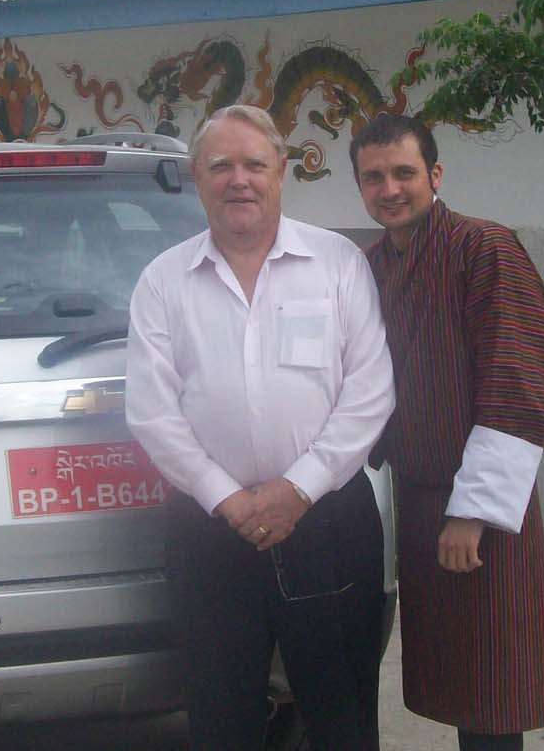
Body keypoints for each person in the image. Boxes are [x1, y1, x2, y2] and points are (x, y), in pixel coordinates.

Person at [125, 104, 395, 751]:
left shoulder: (338, 263)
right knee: (222, 716)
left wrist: (297, 488)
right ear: (198, 177)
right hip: (209, 528)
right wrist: (229, 498)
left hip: (327, 519)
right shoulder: (163, 282)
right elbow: (152, 412)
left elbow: (369, 389)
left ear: (282, 171)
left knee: (342, 713)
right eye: (221, 165)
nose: (238, 179)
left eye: (254, 163)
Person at [351, 112, 544, 751]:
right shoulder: (373, 267)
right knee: (460, 676)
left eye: (403, 172)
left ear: (435, 173)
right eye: (374, 178)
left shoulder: (483, 248)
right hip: (422, 497)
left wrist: (473, 512)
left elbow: (520, 382)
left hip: (481, 505)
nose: (390, 189)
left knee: (493, 685)